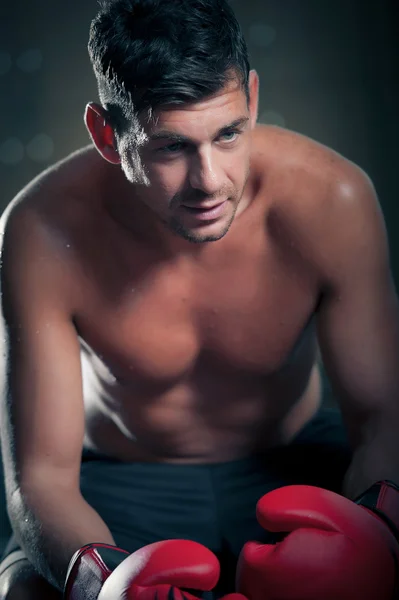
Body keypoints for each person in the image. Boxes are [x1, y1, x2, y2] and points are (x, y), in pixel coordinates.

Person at [0, 0, 399, 598]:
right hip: (118, 480)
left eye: (229, 133)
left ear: (253, 100)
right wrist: (101, 582)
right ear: (108, 134)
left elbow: (384, 418)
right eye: (170, 147)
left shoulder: (332, 200)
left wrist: (379, 525)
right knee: (25, 592)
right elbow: (42, 476)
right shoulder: (40, 229)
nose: (210, 181)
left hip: (293, 461)